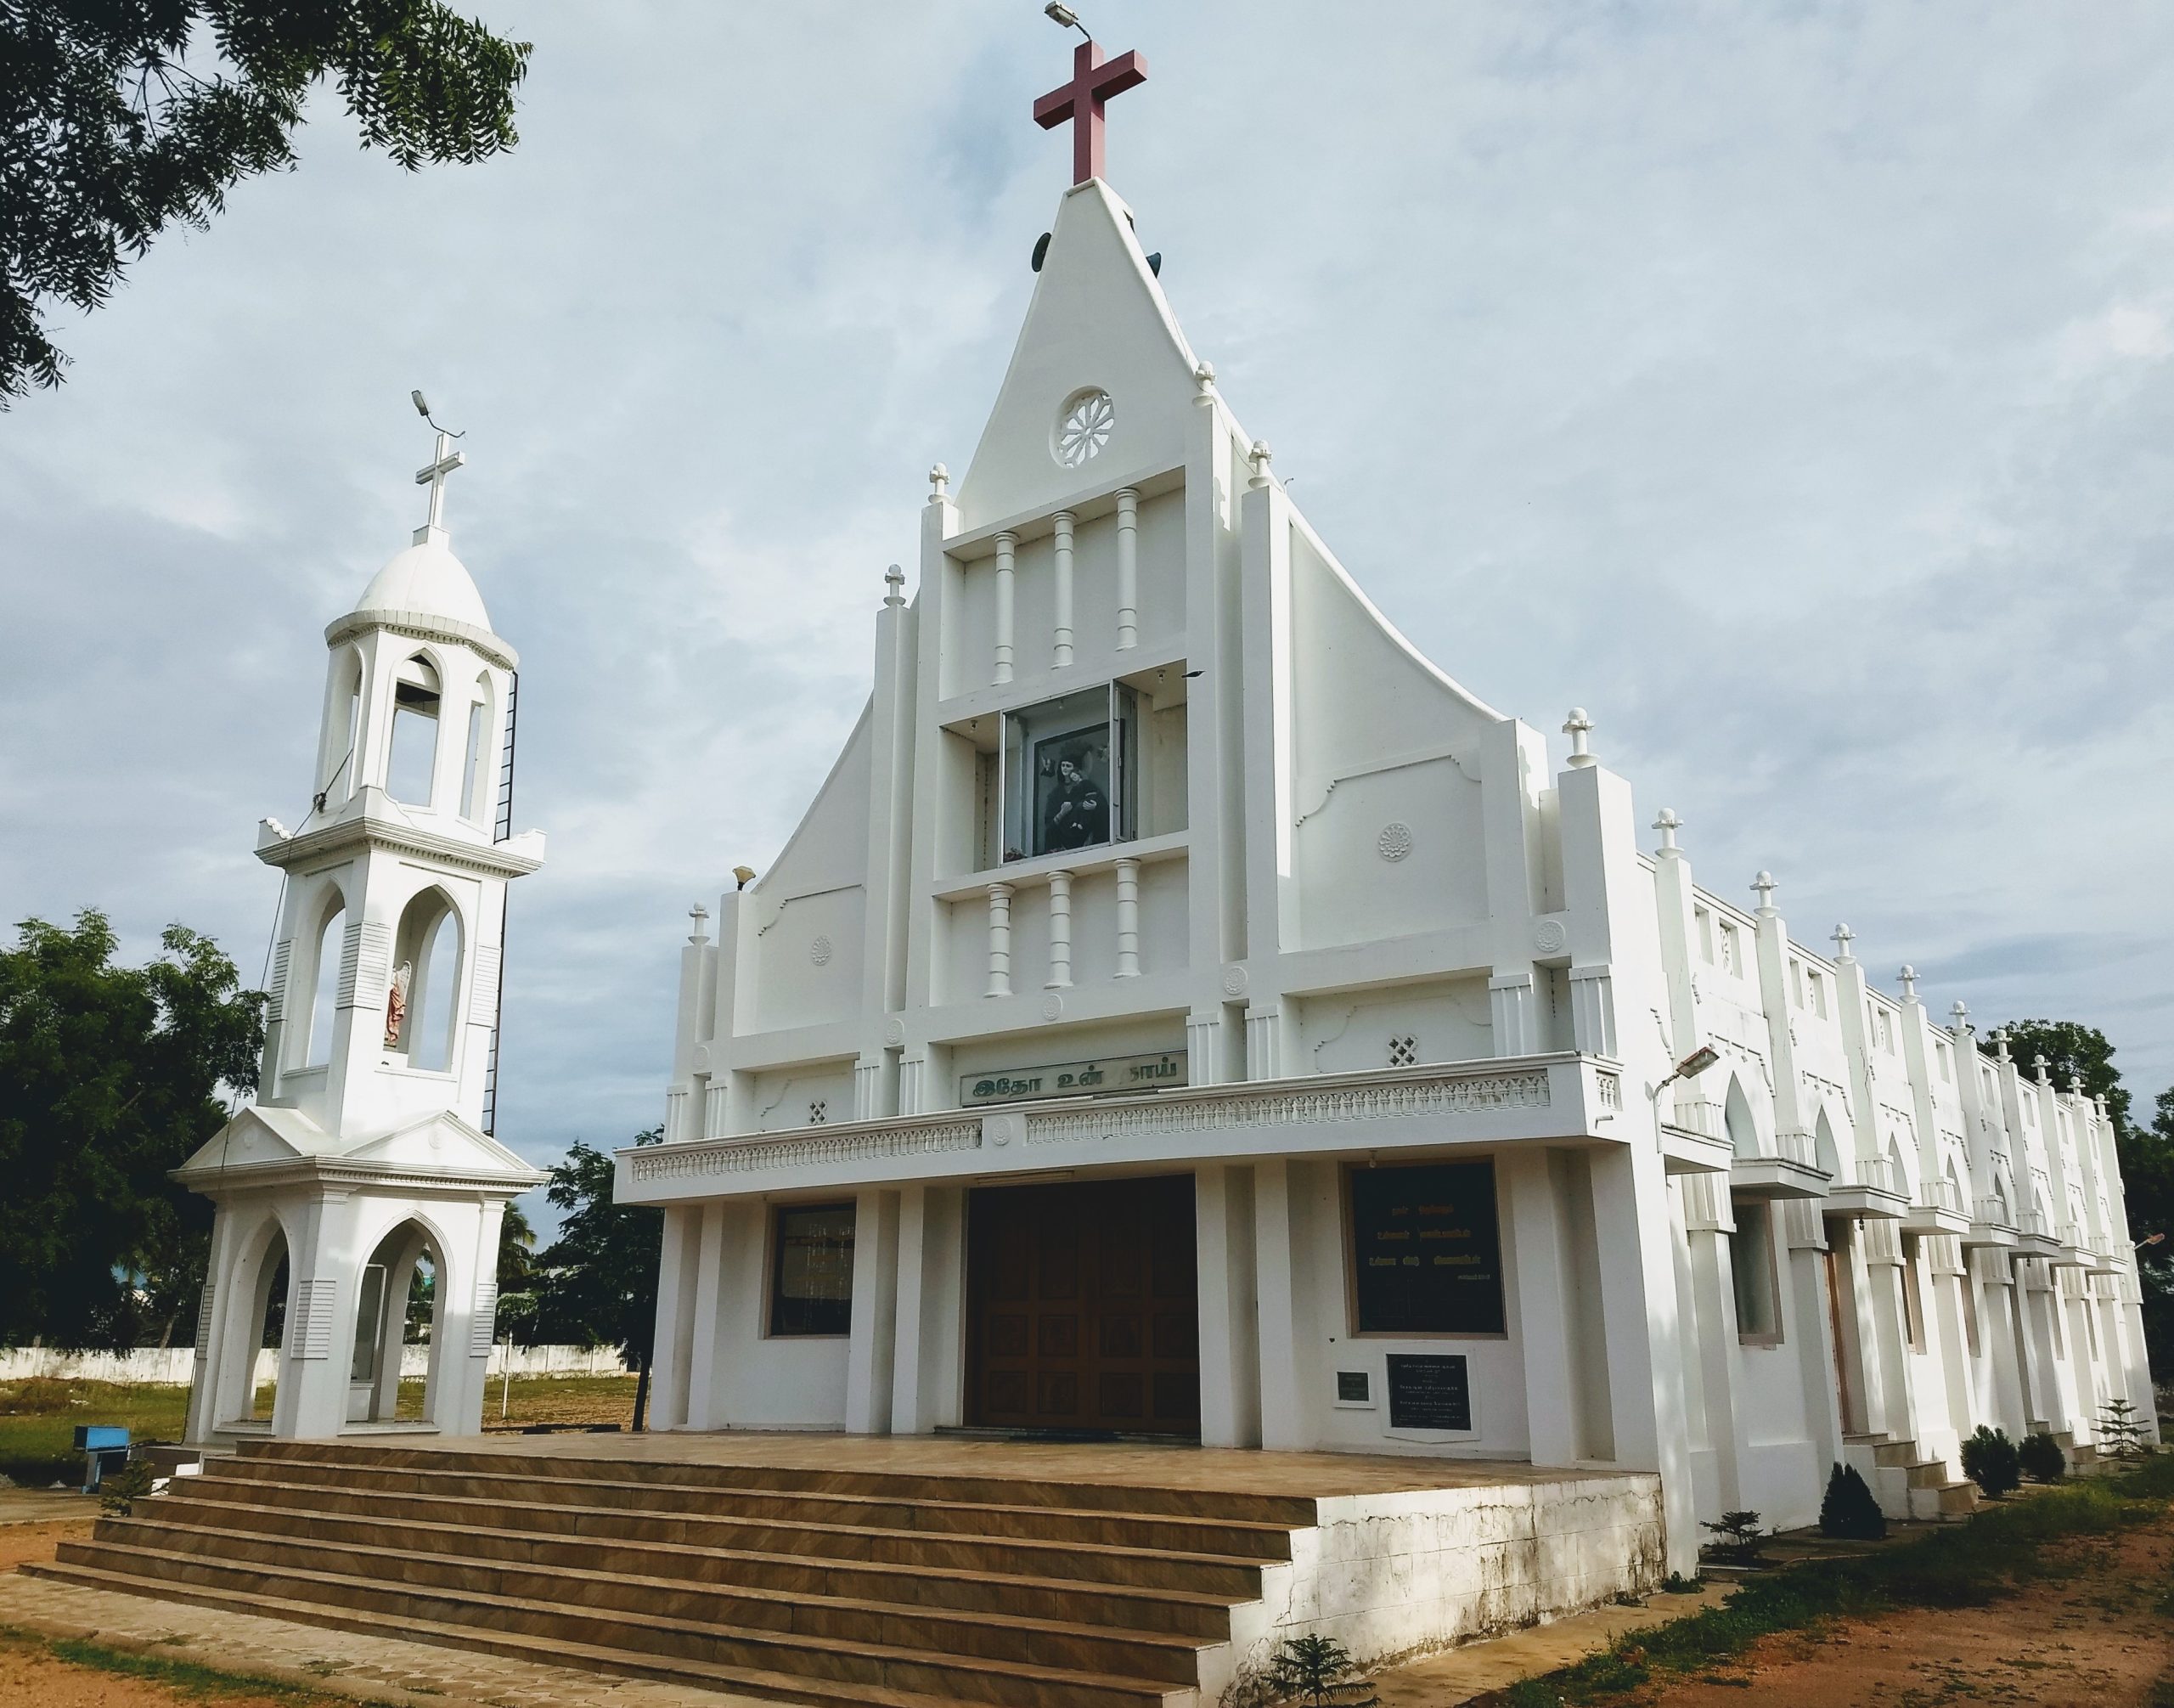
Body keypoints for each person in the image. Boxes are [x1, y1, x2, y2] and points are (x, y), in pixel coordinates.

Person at [1040, 753, 1105, 852]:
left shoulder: (1085, 785)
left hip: (1084, 834)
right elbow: (1049, 825)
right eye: (1063, 765)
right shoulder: (1055, 793)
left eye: (1068, 766)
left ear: (1075, 769)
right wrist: (1062, 813)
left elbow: (1100, 801)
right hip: (1062, 839)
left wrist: (1095, 806)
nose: (1065, 768)